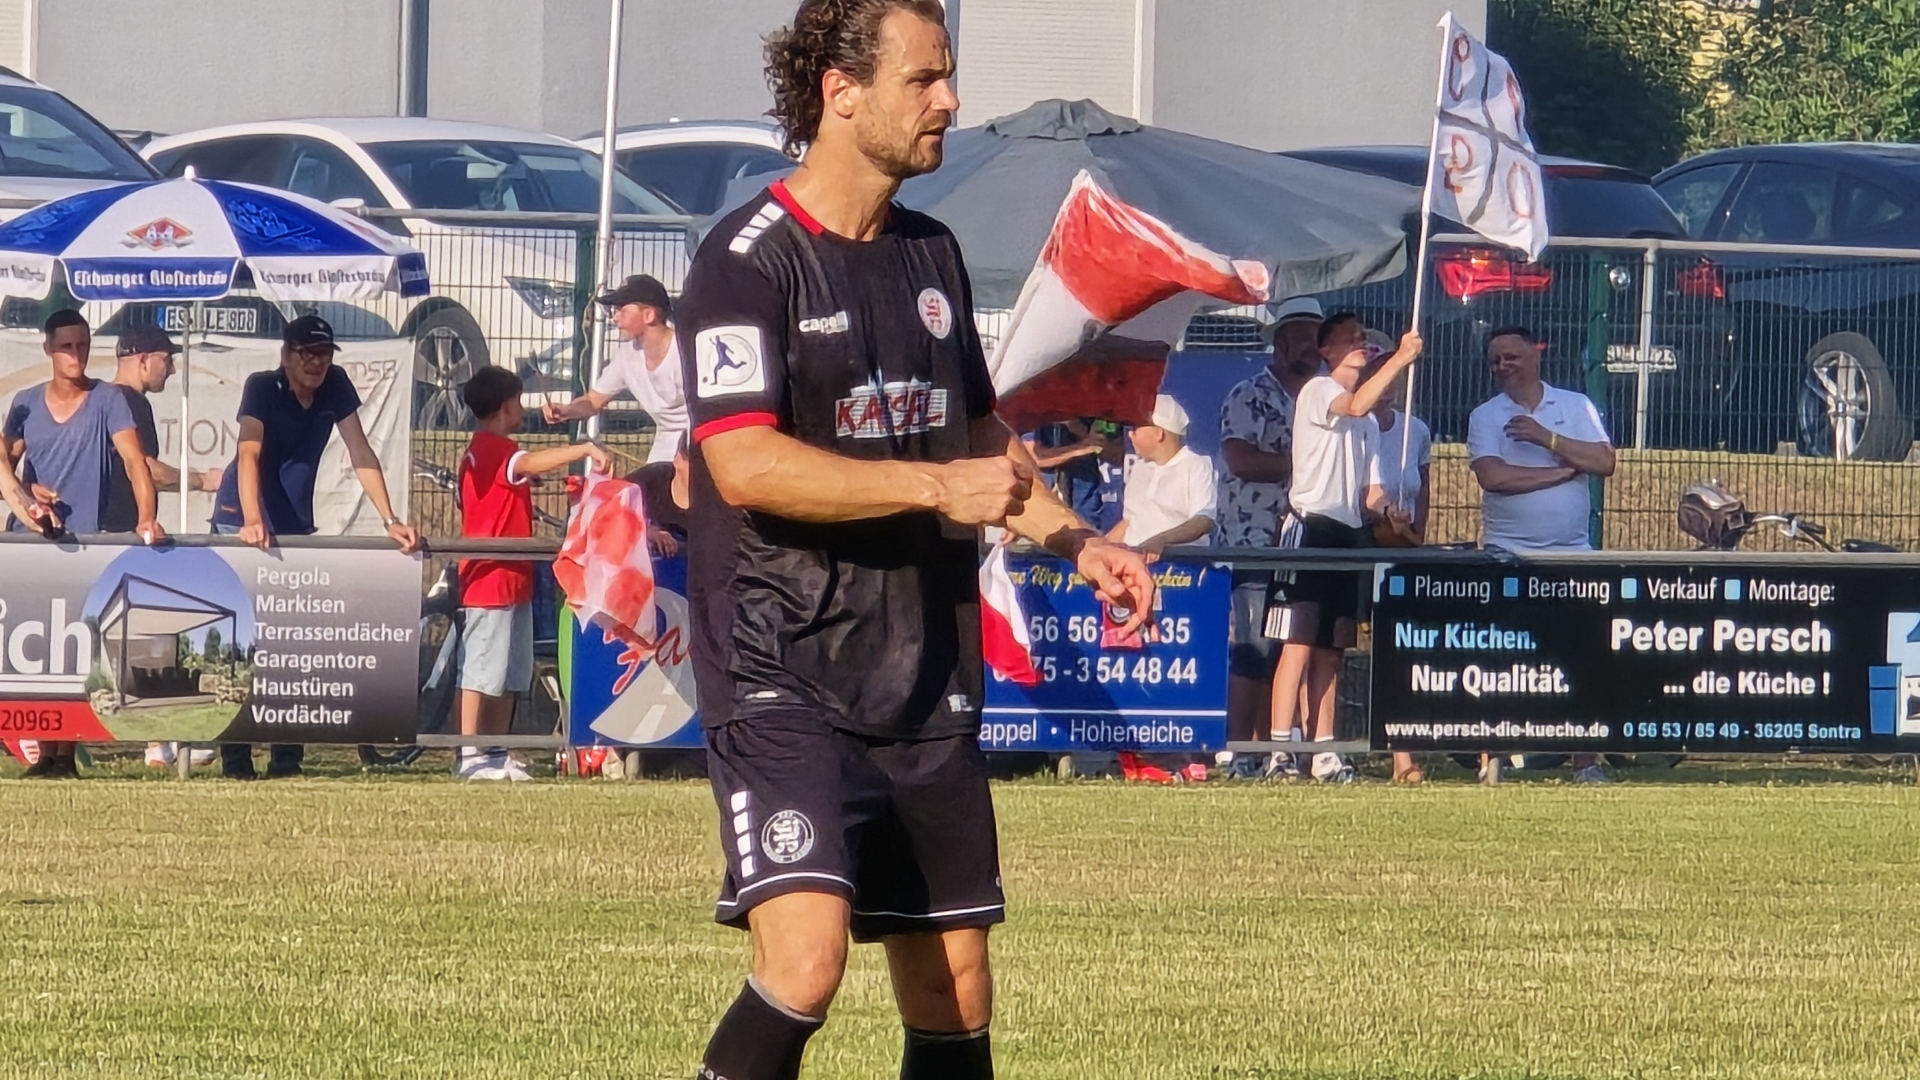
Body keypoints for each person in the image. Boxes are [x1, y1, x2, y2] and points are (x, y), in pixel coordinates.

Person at [680, 3, 1155, 1077]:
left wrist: (1077, 540)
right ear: (841, 93)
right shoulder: (745, 262)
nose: (950, 100)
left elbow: (978, 441)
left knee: (954, 984)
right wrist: (935, 486)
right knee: (806, 962)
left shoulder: (931, 254)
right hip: (778, 665)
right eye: (924, 79)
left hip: (922, 671)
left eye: (948, 76)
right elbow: (743, 463)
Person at [211, 314, 421, 780]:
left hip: (294, 527)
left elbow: (360, 451)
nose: (316, 363)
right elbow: (248, 453)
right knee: (239, 644)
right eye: (307, 353)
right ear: (286, 355)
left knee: (292, 644)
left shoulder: (336, 385)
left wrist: (390, 519)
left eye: (324, 354)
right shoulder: (263, 386)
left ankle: (287, 760)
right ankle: (236, 760)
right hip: (240, 519)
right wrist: (251, 518)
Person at [3, 309, 166, 778]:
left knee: (79, 650)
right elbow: (6, 467)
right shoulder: (25, 403)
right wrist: (27, 492)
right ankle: (42, 750)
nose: (76, 354)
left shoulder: (108, 399)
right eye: (66, 346)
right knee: (38, 649)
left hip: (86, 546)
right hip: (33, 543)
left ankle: (64, 753)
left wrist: (147, 517)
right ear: (48, 349)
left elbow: (136, 462)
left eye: (83, 345)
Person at [1268, 312, 1418, 784]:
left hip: (1346, 534)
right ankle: (1279, 749)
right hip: (1309, 529)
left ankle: (1324, 750)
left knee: (1331, 649)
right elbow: (1352, 405)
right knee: (1297, 643)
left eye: (1362, 339)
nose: (1359, 344)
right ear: (1326, 350)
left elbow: (1371, 493)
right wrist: (1401, 358)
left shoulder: (1369, 424)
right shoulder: (1318, 390)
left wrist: (1391, 512)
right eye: (1348, 339)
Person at [1468, 325, 1617, 784]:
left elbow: (1604, 462)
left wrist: (1545, 439)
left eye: (1511, 357)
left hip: (1573, 555)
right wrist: (1560, 474)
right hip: (1508, 554)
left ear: (1536, 353)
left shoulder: (1575, 405)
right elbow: (1494, 478)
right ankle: (1492, 759)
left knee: (1584, 657)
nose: (1503, 367)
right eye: (1495, 361)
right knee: (1501, 657)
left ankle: (1586, 762)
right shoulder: (1485, 415)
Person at [456, 366, 612, 781]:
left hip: (513, 580)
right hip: (490, 581)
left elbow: (509, 479)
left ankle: (494, 751)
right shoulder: (496, 449)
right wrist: (584, 448)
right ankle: (468, 754)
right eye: (518, 402)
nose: (522, 410)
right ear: (505, 407)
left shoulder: (483, 453)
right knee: (480, 672)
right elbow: (527, 461)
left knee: (510, 672)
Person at [102, 325, 220, 770]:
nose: (170, 370)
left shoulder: (104, 399)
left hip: (110, 528)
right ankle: (157, 739)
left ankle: (158, 738)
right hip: (127, 530)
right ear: (143, 359)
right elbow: (146, 468)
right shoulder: (129, 403)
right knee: (149, 631)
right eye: (167, 360)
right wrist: (201, 480)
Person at [1216, 296, 1324, 777]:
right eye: (1303, 339)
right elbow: (1240, 460)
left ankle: (1277, 752)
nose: (1313, 348)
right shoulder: (1249, 395)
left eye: (1318, 339)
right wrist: (1306, 467)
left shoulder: (1323, 398)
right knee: (1253, 649)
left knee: (1290, 649)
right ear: (1279, 344)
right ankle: (1241, 752)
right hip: (1255, 538)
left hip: (1307, 541)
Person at [1362, 338, 1432, 784]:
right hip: (1361, 545)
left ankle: (1404, 757)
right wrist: (1384, 516)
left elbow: (1423, 490)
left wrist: (1416, 534)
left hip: (1403, 550)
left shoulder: (1416, 430)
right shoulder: (1354, 426)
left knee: (1401, 645)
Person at [542, 273, 687, 463]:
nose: (615, 317)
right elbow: (593, 400)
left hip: (701, 443)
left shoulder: (686, 351)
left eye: (622, 310)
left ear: (649, 315)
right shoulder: (628, 354)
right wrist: (566, 411)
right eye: (614, 310)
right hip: (665, 447)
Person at [1111, 395, 1216, 560]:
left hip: (1182, 566)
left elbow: (1204, 520)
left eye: (1136, 428)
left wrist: (1162, 541)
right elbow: (1130, 521)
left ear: (1158, 433)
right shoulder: (1138, 468)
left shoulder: (1196, 466)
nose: (1130, 434)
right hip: (1135, 564)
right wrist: (1102, 545)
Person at [626, 433, 691, 556]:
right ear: (678, 460)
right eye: (697, 464)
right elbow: (607, 514)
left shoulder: (718, 501)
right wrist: (645, 531)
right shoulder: (650, 481)